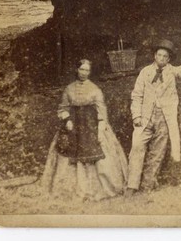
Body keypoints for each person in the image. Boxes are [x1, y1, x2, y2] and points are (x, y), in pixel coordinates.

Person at [41, 59, 127, 201]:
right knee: (67, 152)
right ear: (77, 70)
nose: (84, 73)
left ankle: (97, 189)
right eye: (81, 69)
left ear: (90, 72)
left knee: (99, 154)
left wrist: (101, 128)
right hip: (73, 125)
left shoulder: (95, 89)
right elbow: (63, 108)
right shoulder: (69, 89)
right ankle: (71, 190)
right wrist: (67, 119)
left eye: (87, 70)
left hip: (91, 125)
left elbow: (101, 111)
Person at [125, 39, 181, 197]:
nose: (161, 58)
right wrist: (137, 116)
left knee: (157, 152)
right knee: (137, 147)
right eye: (159, 55)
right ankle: (132, 185)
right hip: (145, 117)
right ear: (154, 56)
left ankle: (148, 184)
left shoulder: (172, 71)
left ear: (168, 59)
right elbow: (137, 95)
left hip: (164, 118)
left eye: (165, 56)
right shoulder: (145, 72)